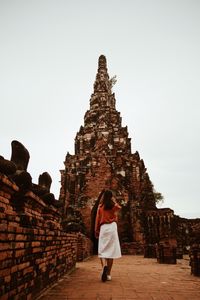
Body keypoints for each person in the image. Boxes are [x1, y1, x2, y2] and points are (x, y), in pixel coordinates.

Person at [95, 189, 121, 282]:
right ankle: (109, 274)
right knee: (111, 251)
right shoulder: (113, 206)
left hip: (104, 228)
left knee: (102, 250)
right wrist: (113, 200)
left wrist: (96, 230)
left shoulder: (100, 207)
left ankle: (104, 269)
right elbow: (119, 207)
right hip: (112, 228)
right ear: (111, 196)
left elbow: (97, 220)